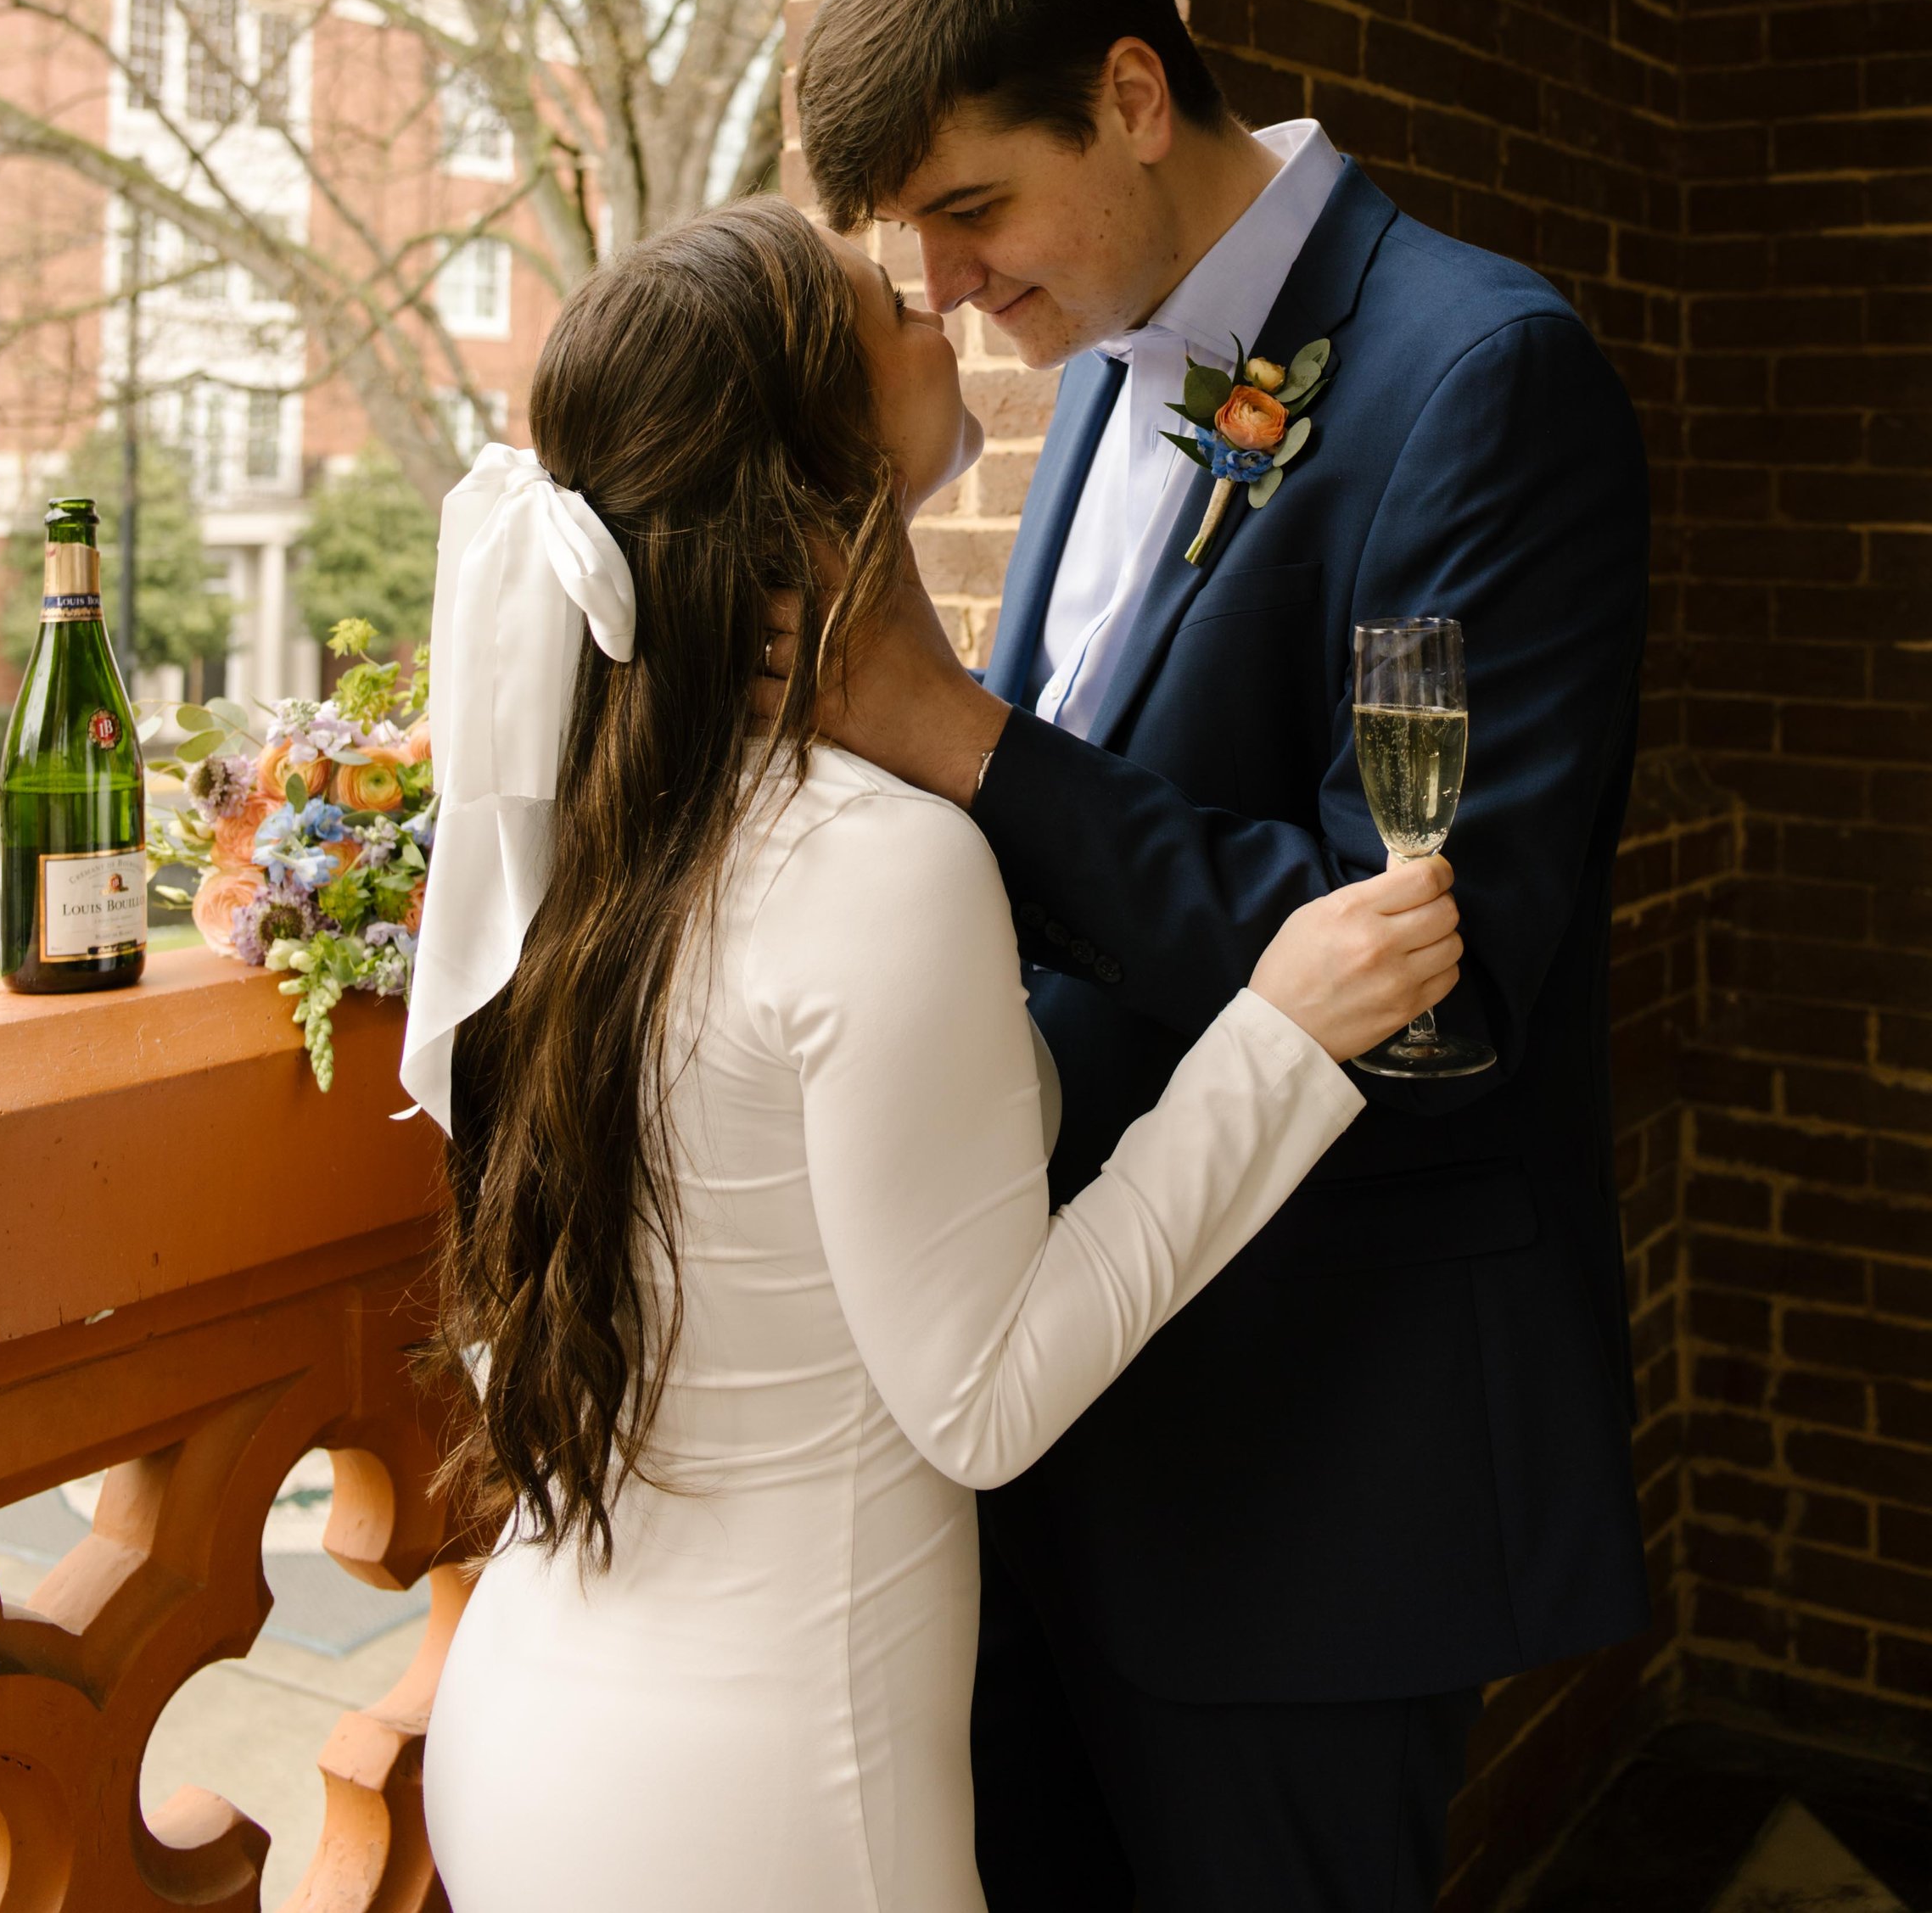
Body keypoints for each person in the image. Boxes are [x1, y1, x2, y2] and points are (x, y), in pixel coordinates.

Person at [409, 198, 1463, 1913]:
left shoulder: (587, 851)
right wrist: (1276, 1036)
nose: (941, 314)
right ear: (816, 446)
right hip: (772, 1807)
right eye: (886, 309)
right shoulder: (866, 864)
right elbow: (980, 1401)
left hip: (529, 1736)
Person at [791, 0, 1655, 1913]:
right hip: (1050, 1408)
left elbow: (1429, 975)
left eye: (966, 210)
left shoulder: (1480, 379)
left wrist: (963, 739)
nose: (940, 293)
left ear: (1125, 91)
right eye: (903, 240)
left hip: (1308, 1467)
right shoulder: (1102, 356)